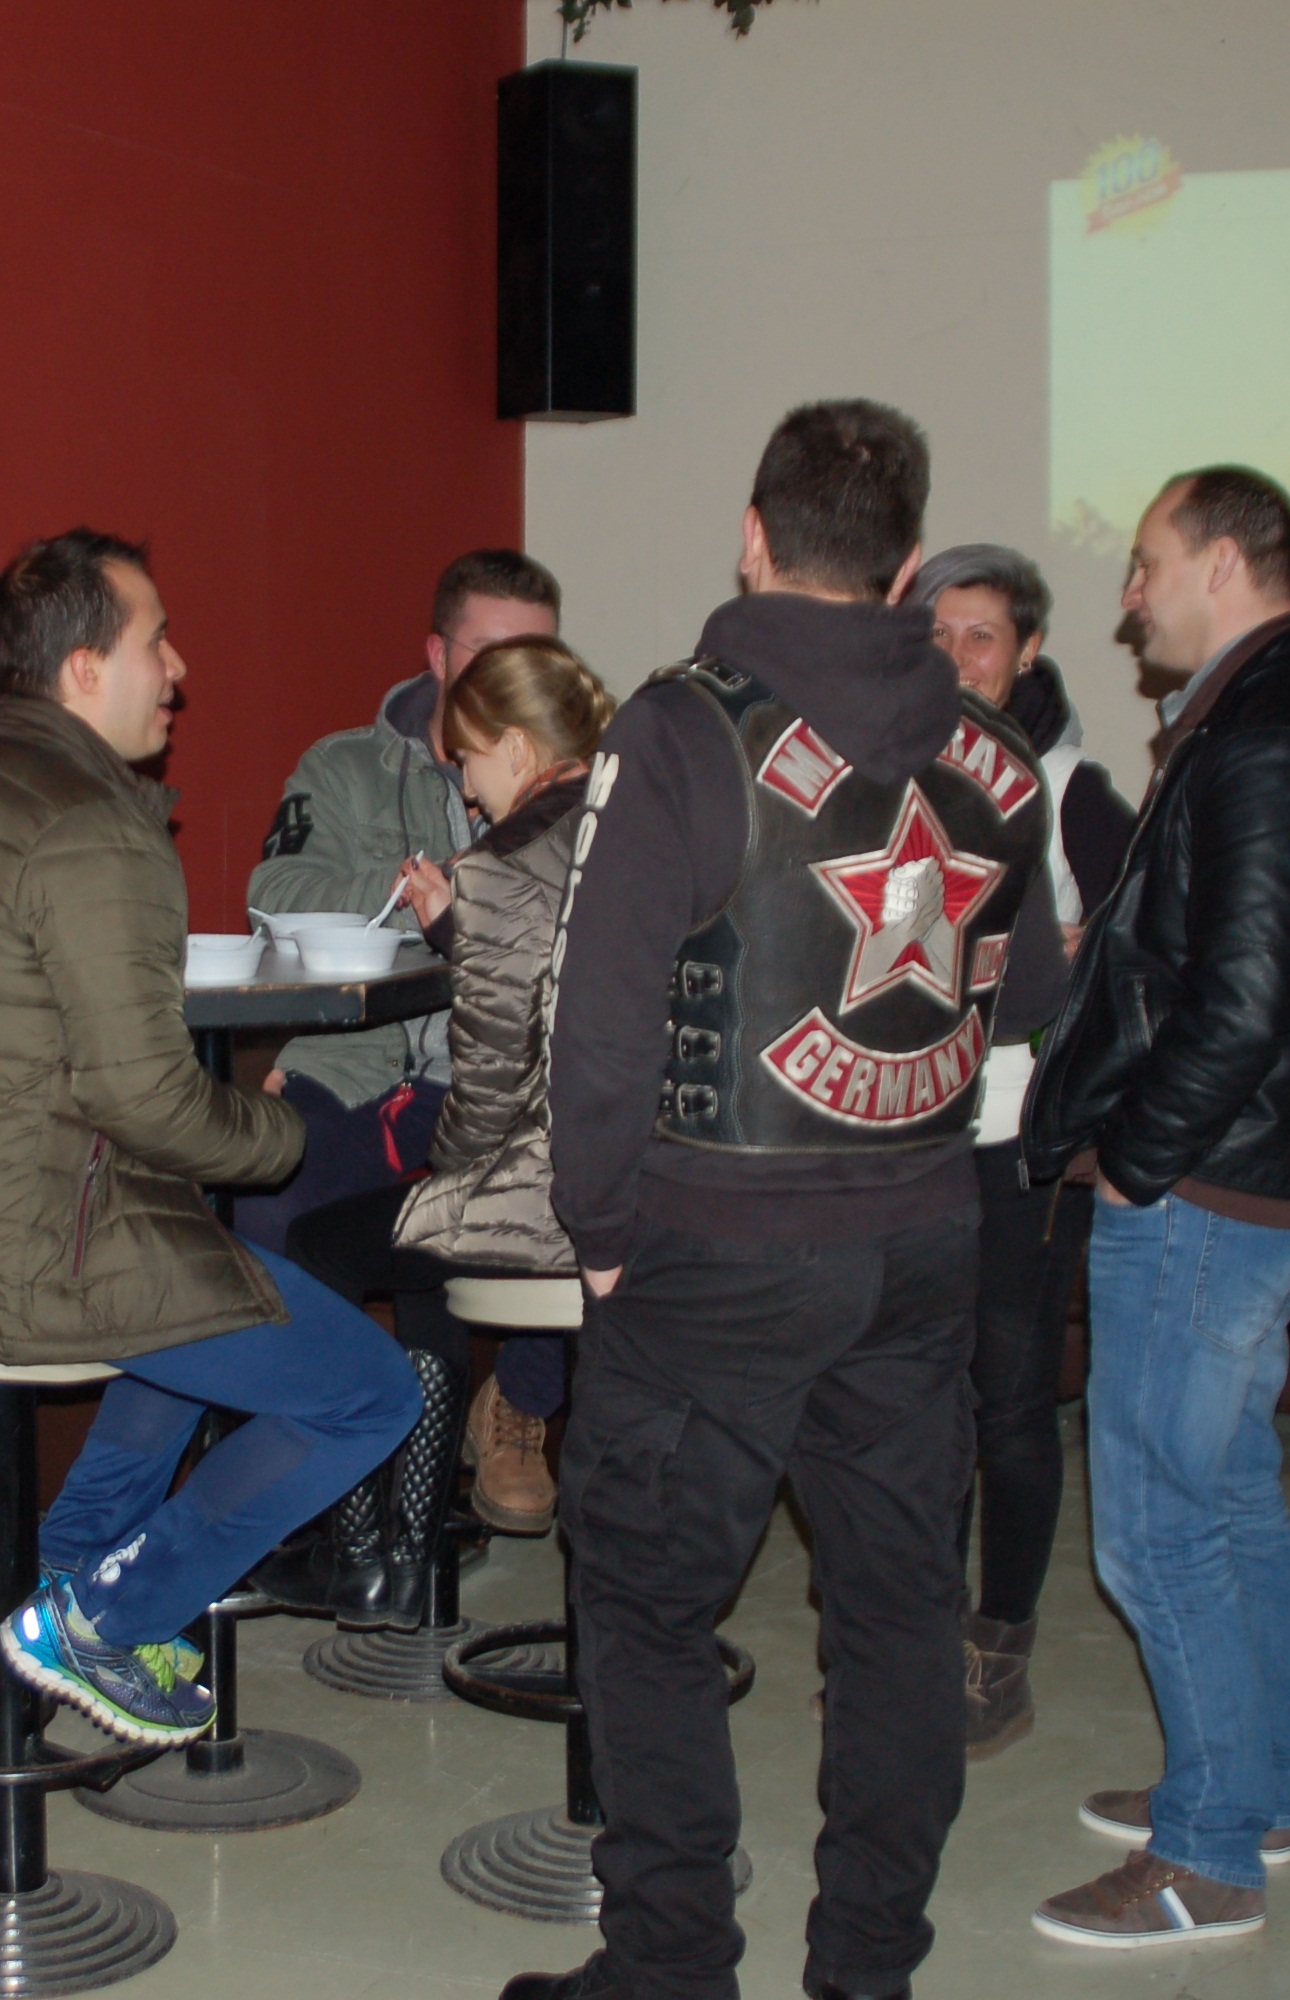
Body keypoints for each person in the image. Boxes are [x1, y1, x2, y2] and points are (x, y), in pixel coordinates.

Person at [511, 401, 1067, 2000]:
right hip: (921, 1239)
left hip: (714, 1245)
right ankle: (868, 1973)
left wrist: (599, 1235)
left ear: (753, 538)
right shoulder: (1000, 758)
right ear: (906, 568)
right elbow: (1026, 995)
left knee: (645, 1608)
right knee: (898, 1621)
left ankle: (671, 1966)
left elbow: (599, 1019)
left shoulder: (680, 730)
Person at [0, 528, 420, 1747]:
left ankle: (65, 1575)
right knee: (366, 1390)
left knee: (189, 1269)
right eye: (155, 639)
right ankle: (114, 1613)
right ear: (80, 669)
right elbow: (150, 1099)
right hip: (21, 1256)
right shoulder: (95, 826)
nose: (177, 667)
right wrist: (278, 1132)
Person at [1023, 468, 1290, 1949]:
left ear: (1225, 563)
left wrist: (1137, 1156)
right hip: (1251, 1182)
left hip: (1209, 1190)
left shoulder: (1267, 740)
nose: (1127, 598)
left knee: (1158, 1528)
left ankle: (1208, 1855)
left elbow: (1236, 1006)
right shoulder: (1271, 711)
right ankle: (1249, 1784)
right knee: (1228, 1490)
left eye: (1145, 564)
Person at [267, 638, 617, 1631]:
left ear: (517, 749)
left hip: (554, 1198)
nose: (463, 789)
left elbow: (492, 1080)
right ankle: (410, 1552)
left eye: (467, 760)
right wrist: (457, 929)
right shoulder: (634, 827)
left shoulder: (503, 860)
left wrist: (444, 1178)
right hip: (645, 1184)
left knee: (325, 1244)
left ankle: (362, 1549)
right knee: (419, 1246)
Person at [248, 549, 573, 1535]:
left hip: (498, 1089)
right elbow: (275, 893)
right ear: (436, 654)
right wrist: (413, 893)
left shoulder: (585, 794)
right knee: (262, 1205)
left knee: (571, 1178)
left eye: (533, 653)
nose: (507, 676)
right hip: (354, 1065)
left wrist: (478, 904)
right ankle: (307, 1477)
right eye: (485, 650)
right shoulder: (349, 766)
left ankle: (514, 1409)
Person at [912, 544, 1136, 1756]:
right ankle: (910, 1635)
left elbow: (1146, 953)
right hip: (903, 1142)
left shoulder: (1073, 788)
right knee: (912, 1401)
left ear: (1028, 650)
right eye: (935, 634)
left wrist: (1075, 949)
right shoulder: (877, 766)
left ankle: (993, 1653)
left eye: (981, 636)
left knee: (1007, 1402)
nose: (956, 659)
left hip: (1020, 1142)